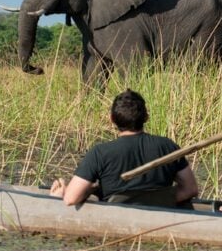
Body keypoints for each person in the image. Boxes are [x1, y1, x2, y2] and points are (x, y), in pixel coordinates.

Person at [50, 89, 199, 207]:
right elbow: (190, 189)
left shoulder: (99, 152)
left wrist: (61, 194)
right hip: (161, 215)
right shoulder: (168, 146)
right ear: (146, 117)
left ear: (112, 119)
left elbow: (70, 199)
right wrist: (163, 200)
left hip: (116, 217)